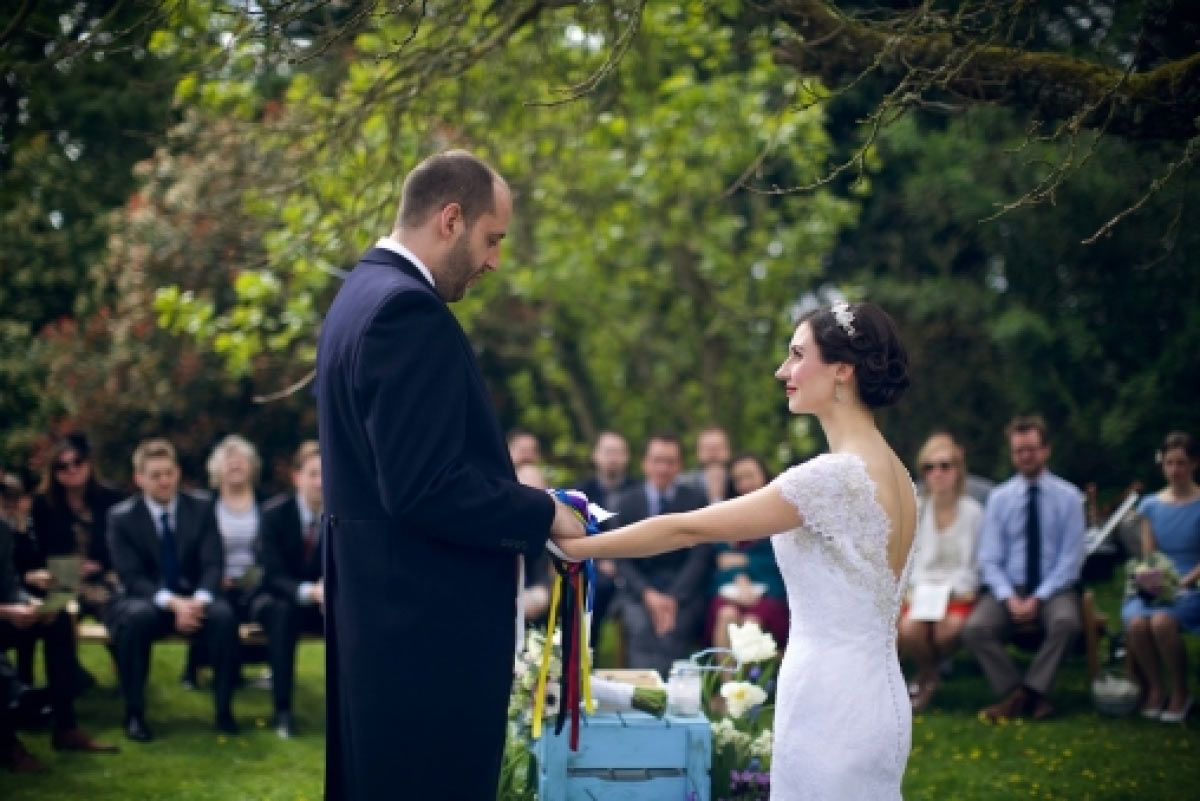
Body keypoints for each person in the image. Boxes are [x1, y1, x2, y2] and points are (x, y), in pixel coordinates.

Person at [557, 301, 915, 800]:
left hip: (828, 701)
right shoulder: (900, 476)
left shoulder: (831, 478)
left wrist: (580, 546)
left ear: (842, 369)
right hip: (882, 699)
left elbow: (686, 529)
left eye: (795, 355)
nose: (782, 371)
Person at [315, 150, 585, 800]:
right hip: (420, 635)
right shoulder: (408, 313)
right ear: (451, 218)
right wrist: (540, 509)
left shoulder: (358, 296)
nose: (495, 260)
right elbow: (421, 487)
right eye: (492, 239)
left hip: (378, 616)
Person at [105, 438, 240, 741]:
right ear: (139, 479)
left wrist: (198, 601)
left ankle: (224, 711)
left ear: (177, 472)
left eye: (169, 472)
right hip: (147, 599)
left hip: (195, 598)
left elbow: (213, 564)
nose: (164, 480)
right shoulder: (121, 518)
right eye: (155, 475)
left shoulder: (202, 508)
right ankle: (135, 714)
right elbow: (131, 576)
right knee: (135, 618)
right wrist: (174, 604)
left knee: (224, 617)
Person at [962, 415, 1085, 721]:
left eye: (1031, 449)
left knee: (1067, 622)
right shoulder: (1000, 499)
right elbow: (989, 558)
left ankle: (1029, 693)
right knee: (975, 628)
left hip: (1054, 587)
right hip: (1009, 587)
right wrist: (1008, 597)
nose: (1025, 456)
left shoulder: (1070, 498)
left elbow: (1071, 559)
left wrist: (1039, 597)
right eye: (1019, 451)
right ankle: (1019, 692)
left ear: (1046, 450)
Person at [1, 506, 117, 764]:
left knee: (59, 615)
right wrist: (7, 611)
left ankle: (66, 725)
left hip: (5, 615)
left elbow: (9, 586)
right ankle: (8, 743)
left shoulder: (3, 531)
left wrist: (30, 605)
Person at [611, 433, 709, 677]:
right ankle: (640, 698)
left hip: (683, 592)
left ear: (680, 465)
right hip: (639, 591)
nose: (663, 468)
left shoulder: (695, 500)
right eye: (657, 460)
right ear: (645, 463)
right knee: (641, 626)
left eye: (670, 461)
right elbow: (620, 556)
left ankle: (669, 698)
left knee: (672, 629)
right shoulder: (626, 502)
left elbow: (700, 555)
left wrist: (674, 597)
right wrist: (648, 595)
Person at [897, 433, 982, 711]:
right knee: (909, 630)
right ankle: (931, 674)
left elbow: (975, 564)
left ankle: (925, 676)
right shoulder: (918, 510)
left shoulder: (973, 513)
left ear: (958, 470)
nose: (937, 473)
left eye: (945, 465)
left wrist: (951, 593)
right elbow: (910, 559)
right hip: (922, 590)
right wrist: (916, 590)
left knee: (948, 630)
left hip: (959, 592)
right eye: (929, 467)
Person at [1122, 431, 1200, 722]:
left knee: (1163, 622)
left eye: (1181, 463)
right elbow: (1149, 554)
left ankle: (1181, 691)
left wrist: (1184, 583)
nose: (1175, 470)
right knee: (1138, 622)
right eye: (1169, 463)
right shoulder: (1151, 506)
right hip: (1158, 578)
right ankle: (1155, 687)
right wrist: (1154, 581)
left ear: (1194, 464)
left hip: (1191, 582)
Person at [181, 434, 264, 689]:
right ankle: (202, 670)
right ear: (216, 469)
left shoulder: (266, 504)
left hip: (257, 581)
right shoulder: (205, 506)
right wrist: (216, 578)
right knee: (219, 610)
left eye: (241, 460)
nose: (235, 465)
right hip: (215, 581)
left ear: (252, 466)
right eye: (229, 460)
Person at [255, 441, 325, 739]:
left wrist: (331, 592)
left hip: (325, 604)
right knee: (282, 615)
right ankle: (282, 711)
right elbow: (271, 574)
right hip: (278, 598)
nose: (321, 482)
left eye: (328, 474)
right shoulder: (274, 515)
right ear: (297, 476)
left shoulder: (343, 518)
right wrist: (310, 592)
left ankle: (355, 710)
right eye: (314, 473)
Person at [706, 453, 789, 649]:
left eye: (749, 476)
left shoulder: (780, 513)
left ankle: (752, 679)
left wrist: (744, 561)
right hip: (731, 588)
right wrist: (739, 578)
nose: (744, 484)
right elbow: (722, 560)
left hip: (770, 590)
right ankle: (727, 680)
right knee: (726, 615)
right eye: (738, 479)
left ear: (763, 476)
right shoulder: (728, 515)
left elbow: (777, 561)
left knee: (752, 622)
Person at [575, 431, 637, 631]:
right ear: (596, 456)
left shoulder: (640, 491)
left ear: (627, 457)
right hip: (593, 567)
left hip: (634, 566)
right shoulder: (579, 493)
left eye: (619, 452)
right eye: (608, 452)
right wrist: (600, 561)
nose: (613, 458)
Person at [680, 425, 734, 503]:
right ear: (698, 452)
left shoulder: (738, 481)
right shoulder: (685, 484)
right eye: (707, 448)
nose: (713, 454)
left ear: (728, 450)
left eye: (717, 448)